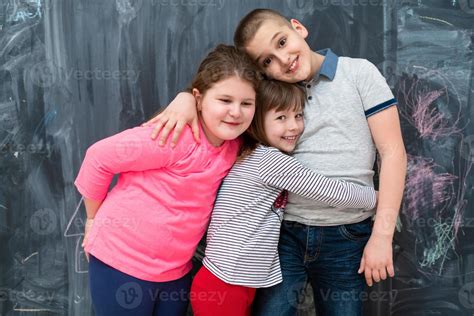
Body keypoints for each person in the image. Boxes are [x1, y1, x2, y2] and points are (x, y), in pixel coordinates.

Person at [144, 8, 407, 316]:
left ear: (298, 28)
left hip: (347, 235)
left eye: (282, 42)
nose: (283, 60)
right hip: (283, 236)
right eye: (267, 61)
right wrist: (187, 97)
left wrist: (382, 235)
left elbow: (393, 153)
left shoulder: (358, 73)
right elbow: (225, 91)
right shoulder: (266, 95)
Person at [74, 44, 259, 316]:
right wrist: (92, 218)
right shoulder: (174, 136)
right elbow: (98, 157)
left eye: (246, 104)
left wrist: (184, 97)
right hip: (121, 262)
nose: (236, 112)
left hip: (174, 272)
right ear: (198, 98)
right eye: (225, 100)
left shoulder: (234, 147)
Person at [190, 79, 378, 316]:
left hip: (237, 281)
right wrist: (378, 198)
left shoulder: (252, 153)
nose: (294, 127)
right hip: (224, 285)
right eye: (281, 118)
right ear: (256, 121)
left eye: (298, 115)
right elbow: (329, 190)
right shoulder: (269, 160)